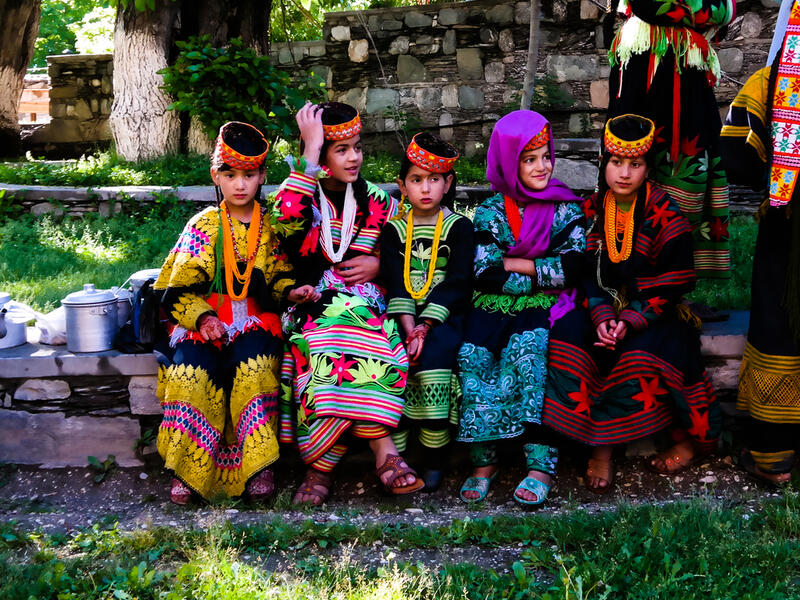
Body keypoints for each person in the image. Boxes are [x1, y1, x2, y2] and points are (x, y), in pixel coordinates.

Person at [542, 114, 721, 493]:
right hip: (600, 307)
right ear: (603, 163)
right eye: (616, 162)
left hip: (656, 310)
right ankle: (600, 446)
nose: (624, 173)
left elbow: (675, 280)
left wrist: (631, 320)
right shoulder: (591, 210)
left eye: (635, 164)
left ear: (647, 168)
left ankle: (684, 441)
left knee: (642, 355)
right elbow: (585, 272)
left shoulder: (665, 212)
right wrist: (603, 316)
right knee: (567, 340)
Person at [155, 121, 319, 505]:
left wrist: (291, 291)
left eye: (249, 175)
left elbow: (278, 279)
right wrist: (203, 319)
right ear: (216, 176)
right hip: (204, 322)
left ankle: (258, 466)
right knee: (190, 372)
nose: (240, 184)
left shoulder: (271, 225)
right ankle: (187, 469)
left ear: (262, 176)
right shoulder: (203, 225)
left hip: (257, 322)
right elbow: (175, 290)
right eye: (230, 175)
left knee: (255, 369)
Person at [273, 101, 422, 505]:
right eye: (341, 150)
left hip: (370, 307)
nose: (354, 157)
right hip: (311, 305)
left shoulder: (380, 202)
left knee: (360, 332)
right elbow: (285, 223)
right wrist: (309, 150)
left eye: (357, 147)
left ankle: (319, 468)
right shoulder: (300, 193)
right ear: (319, 155)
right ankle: (385, 451)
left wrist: (380, 264)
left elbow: (408, 253)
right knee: (333, 335)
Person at [456, 110, 585, 506]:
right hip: (492, 306)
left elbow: (574, 268)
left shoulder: (566, 208)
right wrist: (543, 269)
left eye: (546, 156)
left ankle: (540, 463)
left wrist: (516, 263)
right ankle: (485, 461)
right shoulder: (490, 212)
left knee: (532, 351)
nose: (542, 167)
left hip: (549, 307)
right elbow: (484, 273)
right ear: (509, 162)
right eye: (529, 159)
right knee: (473, 354)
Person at [721, 0, 800, 486]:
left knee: (779, 325)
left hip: (786, 234)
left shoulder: (771, 83)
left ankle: (773, 459)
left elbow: (736, 156)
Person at [606, 0, 735, 279]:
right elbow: (648, 6)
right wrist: (697, 12)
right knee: (631, 158)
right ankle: (624, 274)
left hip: (687, 74)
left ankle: (674, 280)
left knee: (690, 168)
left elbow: (727, 10)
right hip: (642, 68)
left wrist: (692, 12)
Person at [379, 132, 474, 491]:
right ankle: (401, 454)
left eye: (434, 179)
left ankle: (435, 458)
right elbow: (395, 282)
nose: (425, 188)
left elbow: (459, 280)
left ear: (447, 183)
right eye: (416, 179)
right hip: (401, 315)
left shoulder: (459, 227)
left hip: (444, 316)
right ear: (402, 185)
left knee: (435, 357)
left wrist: (425, 327)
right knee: (392, 357)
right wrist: (409, 329)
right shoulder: (394, 230)